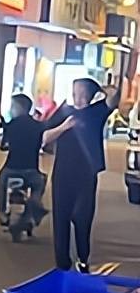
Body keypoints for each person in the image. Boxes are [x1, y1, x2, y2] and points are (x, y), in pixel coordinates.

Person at [43, 77, 119, 272]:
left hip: (86, 173)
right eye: (75, 91)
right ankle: (62, 264)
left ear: (89, 94)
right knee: (60, 218)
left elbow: (113, 97)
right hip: (62, 173)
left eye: (81, 92)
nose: (77, 96)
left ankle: (83, 259)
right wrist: (64, 127)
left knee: (83, 216)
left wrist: (100, 88)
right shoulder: (64, 111)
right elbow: (44, 137)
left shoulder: (96, 112)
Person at [0, 93, 47, 228]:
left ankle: (2, 213)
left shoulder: (11, 125)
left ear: (19, 108)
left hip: (11, 170)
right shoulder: (38, 126)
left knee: (0, 182)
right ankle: (35, 202)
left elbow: (3, 145)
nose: (11, 110)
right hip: (32, 171)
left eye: (12, 106)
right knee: (40, 182)